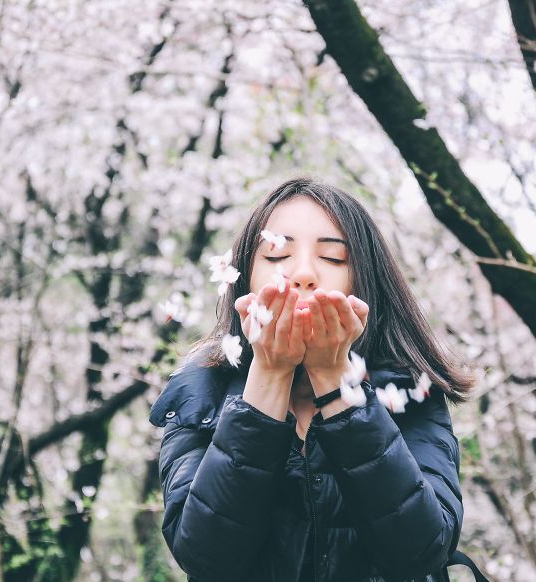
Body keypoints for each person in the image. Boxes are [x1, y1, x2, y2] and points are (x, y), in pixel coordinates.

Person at [149, 177, 488, 581]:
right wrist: (270, 373)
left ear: (365, 282)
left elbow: (421, 551)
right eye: (277, 255)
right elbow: (206, 557)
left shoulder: (410, 393)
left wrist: (334, 377)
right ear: (244, 280)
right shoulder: (199, 396)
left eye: (332, 257)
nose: (304, 274)